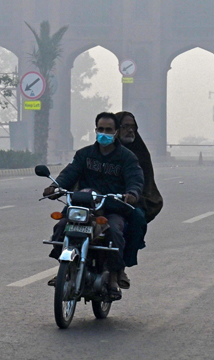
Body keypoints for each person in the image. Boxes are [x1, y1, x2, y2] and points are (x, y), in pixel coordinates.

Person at [43, 112, 144, 299]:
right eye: (101, 129)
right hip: (84, 206)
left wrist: (132, 194)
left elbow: (135, 180)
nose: (104, 133)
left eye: (109, 130)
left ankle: (113, 277)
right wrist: (55, 187)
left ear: (115, 132)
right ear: (96, 130)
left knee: (114, 232)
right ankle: (63, 268)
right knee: (60, 226)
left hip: (112, 208)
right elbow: (70, 173)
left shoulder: (127, 158)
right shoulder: (84, 155)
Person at [115, 111, 163, 274]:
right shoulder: (100, 150)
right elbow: (78, 169)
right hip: (101, 198)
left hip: (130, 200)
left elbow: (142, 181)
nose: (130, 130)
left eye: (133, 127)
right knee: (68, 218)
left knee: (137, 218)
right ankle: (65, 268)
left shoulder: (139, 154)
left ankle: (121, 267)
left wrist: (134, 195)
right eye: (126, 126)